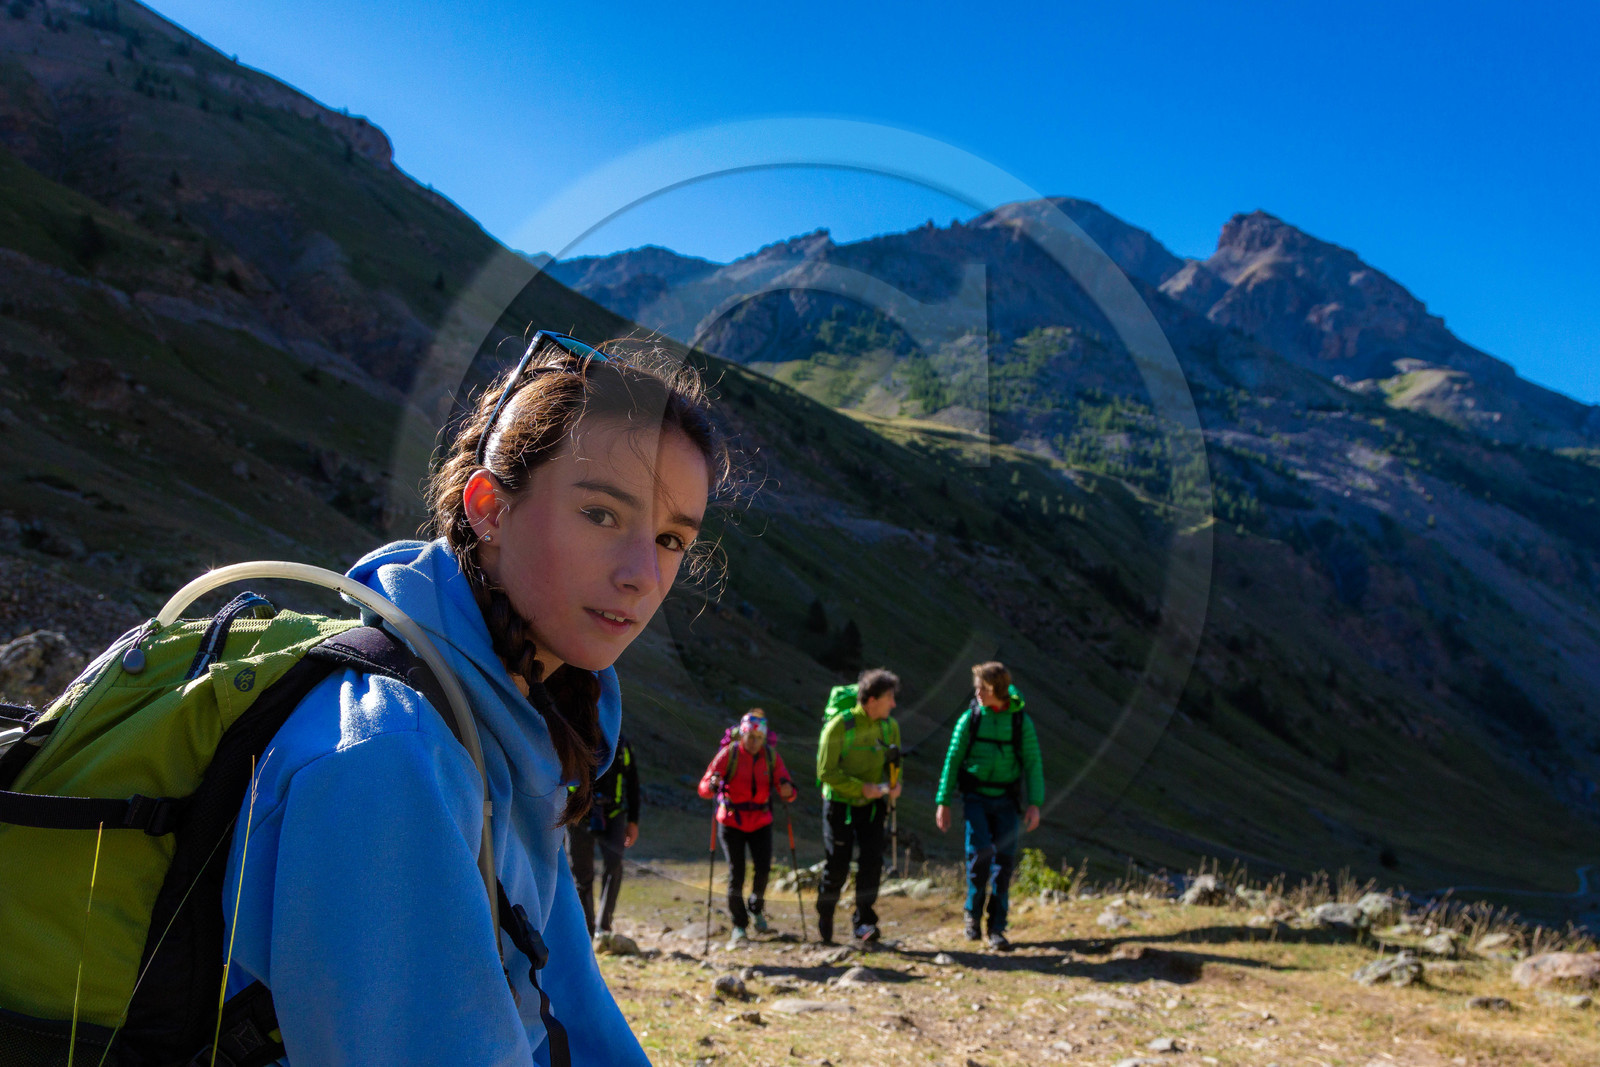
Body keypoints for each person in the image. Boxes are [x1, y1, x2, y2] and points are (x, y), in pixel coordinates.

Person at [219, 333, 728, 1066]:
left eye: (672, 538)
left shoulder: (530, 724)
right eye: (601, 515)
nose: (644, 575)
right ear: (490, 507)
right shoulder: (391, 759)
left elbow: (566, 1004)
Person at [934, 661, 1044, 951]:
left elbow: (1033, 763)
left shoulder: (1020, 722)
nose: (977, 693)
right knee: (979, 856)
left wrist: (1035, 804)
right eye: (977, 687)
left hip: (1007, 800)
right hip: (976, 798)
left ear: (998, 689)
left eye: (982, 688)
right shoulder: (969, 719)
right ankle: (972, 916)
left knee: (1003, 864)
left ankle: (997, 927)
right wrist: (943, 802)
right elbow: (953, 760)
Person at [815, 668, 902, 944]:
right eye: (889, 698)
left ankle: (864, 922)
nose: (894, 704)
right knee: (837, 864)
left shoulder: (890, 727)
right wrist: (860, 788)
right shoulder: (839, 726)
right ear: (872, 699)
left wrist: (895, 784)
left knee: (871, 863)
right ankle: (826, 914)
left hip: (873, 806)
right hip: (839, 805)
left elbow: (894, 762)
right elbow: (825, 773)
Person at [698, 709, 797, 945]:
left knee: (763, 869)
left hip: (761, 821)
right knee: (737, 873)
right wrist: (711, 785)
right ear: (742, 734)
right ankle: (739, 925)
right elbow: (704, 787)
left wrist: (788, 791)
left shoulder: (771, 757)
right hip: (731, 821)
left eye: (759, 738)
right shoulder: (728, 754)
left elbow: (788, 789)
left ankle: (756, 908)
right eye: (751, 737)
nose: (754, 742)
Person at [568, 731, 641, 938]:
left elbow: (633, 783)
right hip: (578, 815)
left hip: (613, 814)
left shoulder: (620, 742)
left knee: (614, 865)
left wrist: (633, 821)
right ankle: (587, 929)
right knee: (581, 873)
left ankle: (604, 925)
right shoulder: (572, 735)